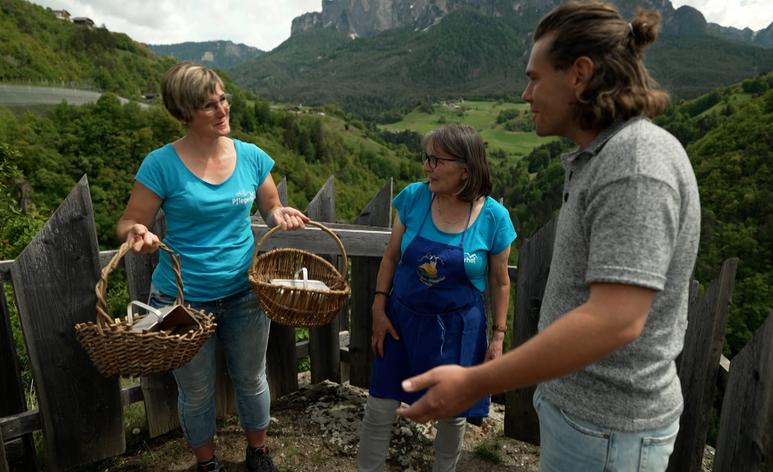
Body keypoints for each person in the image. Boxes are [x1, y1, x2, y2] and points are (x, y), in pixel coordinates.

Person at [398, 2, 701, 471]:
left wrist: (477, 380)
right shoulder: (603, 157)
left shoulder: (635, 162)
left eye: (535, 78)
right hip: (586, 421)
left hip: (608, 433)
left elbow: (615, 320)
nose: (525, 94)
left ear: (579, 74)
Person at [116, 61, 309, 472]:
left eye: (223, 98)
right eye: (208, 105)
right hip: (181, 302)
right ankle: (207, 464)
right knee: (197, 392)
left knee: (252, 379)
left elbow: (270, 205)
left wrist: (278, 214)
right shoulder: (161, 164)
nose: (222, 109)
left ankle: (258, 453)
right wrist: (138, 232)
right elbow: (129, 221)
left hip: (244, 294)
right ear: (184, 113)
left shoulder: (252, 157)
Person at [357, 124, 517, 471]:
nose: (426, 167)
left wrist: (499, 336)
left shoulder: (493, 217)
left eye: (435, 160)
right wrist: (378, 306)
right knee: (380, 406)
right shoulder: (414, 197)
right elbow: (390, 257)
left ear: (466, 168)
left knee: (453, 414)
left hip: (459, 329)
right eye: (426, 158)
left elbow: (501, 282)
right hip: (402, 321)